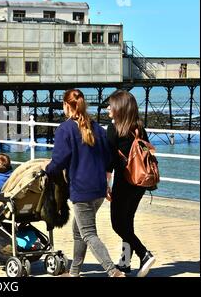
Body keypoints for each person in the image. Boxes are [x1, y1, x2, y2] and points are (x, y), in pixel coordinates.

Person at [43, 89, 125, 277]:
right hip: (98, 189)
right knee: (79, 231)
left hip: (81, 189)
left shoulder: (66, 129)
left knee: (88, 234)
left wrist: (47, 170)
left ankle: (113, 271)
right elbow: (108, 158)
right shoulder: (97, 127)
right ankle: (74, 272)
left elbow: (59, 161)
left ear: (66, 106)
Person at [106, 89, 156, 277]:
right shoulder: (138, 128)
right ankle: (125, 263)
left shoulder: (114, 128)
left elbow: (109, 161)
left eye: (111, 104)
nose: (108, 107)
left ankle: (143, 253)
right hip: (141, 181)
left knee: (117, 224)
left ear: (119, 107)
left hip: (124, 180)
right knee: (127, 222)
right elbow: (148, 151)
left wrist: (106, 185)